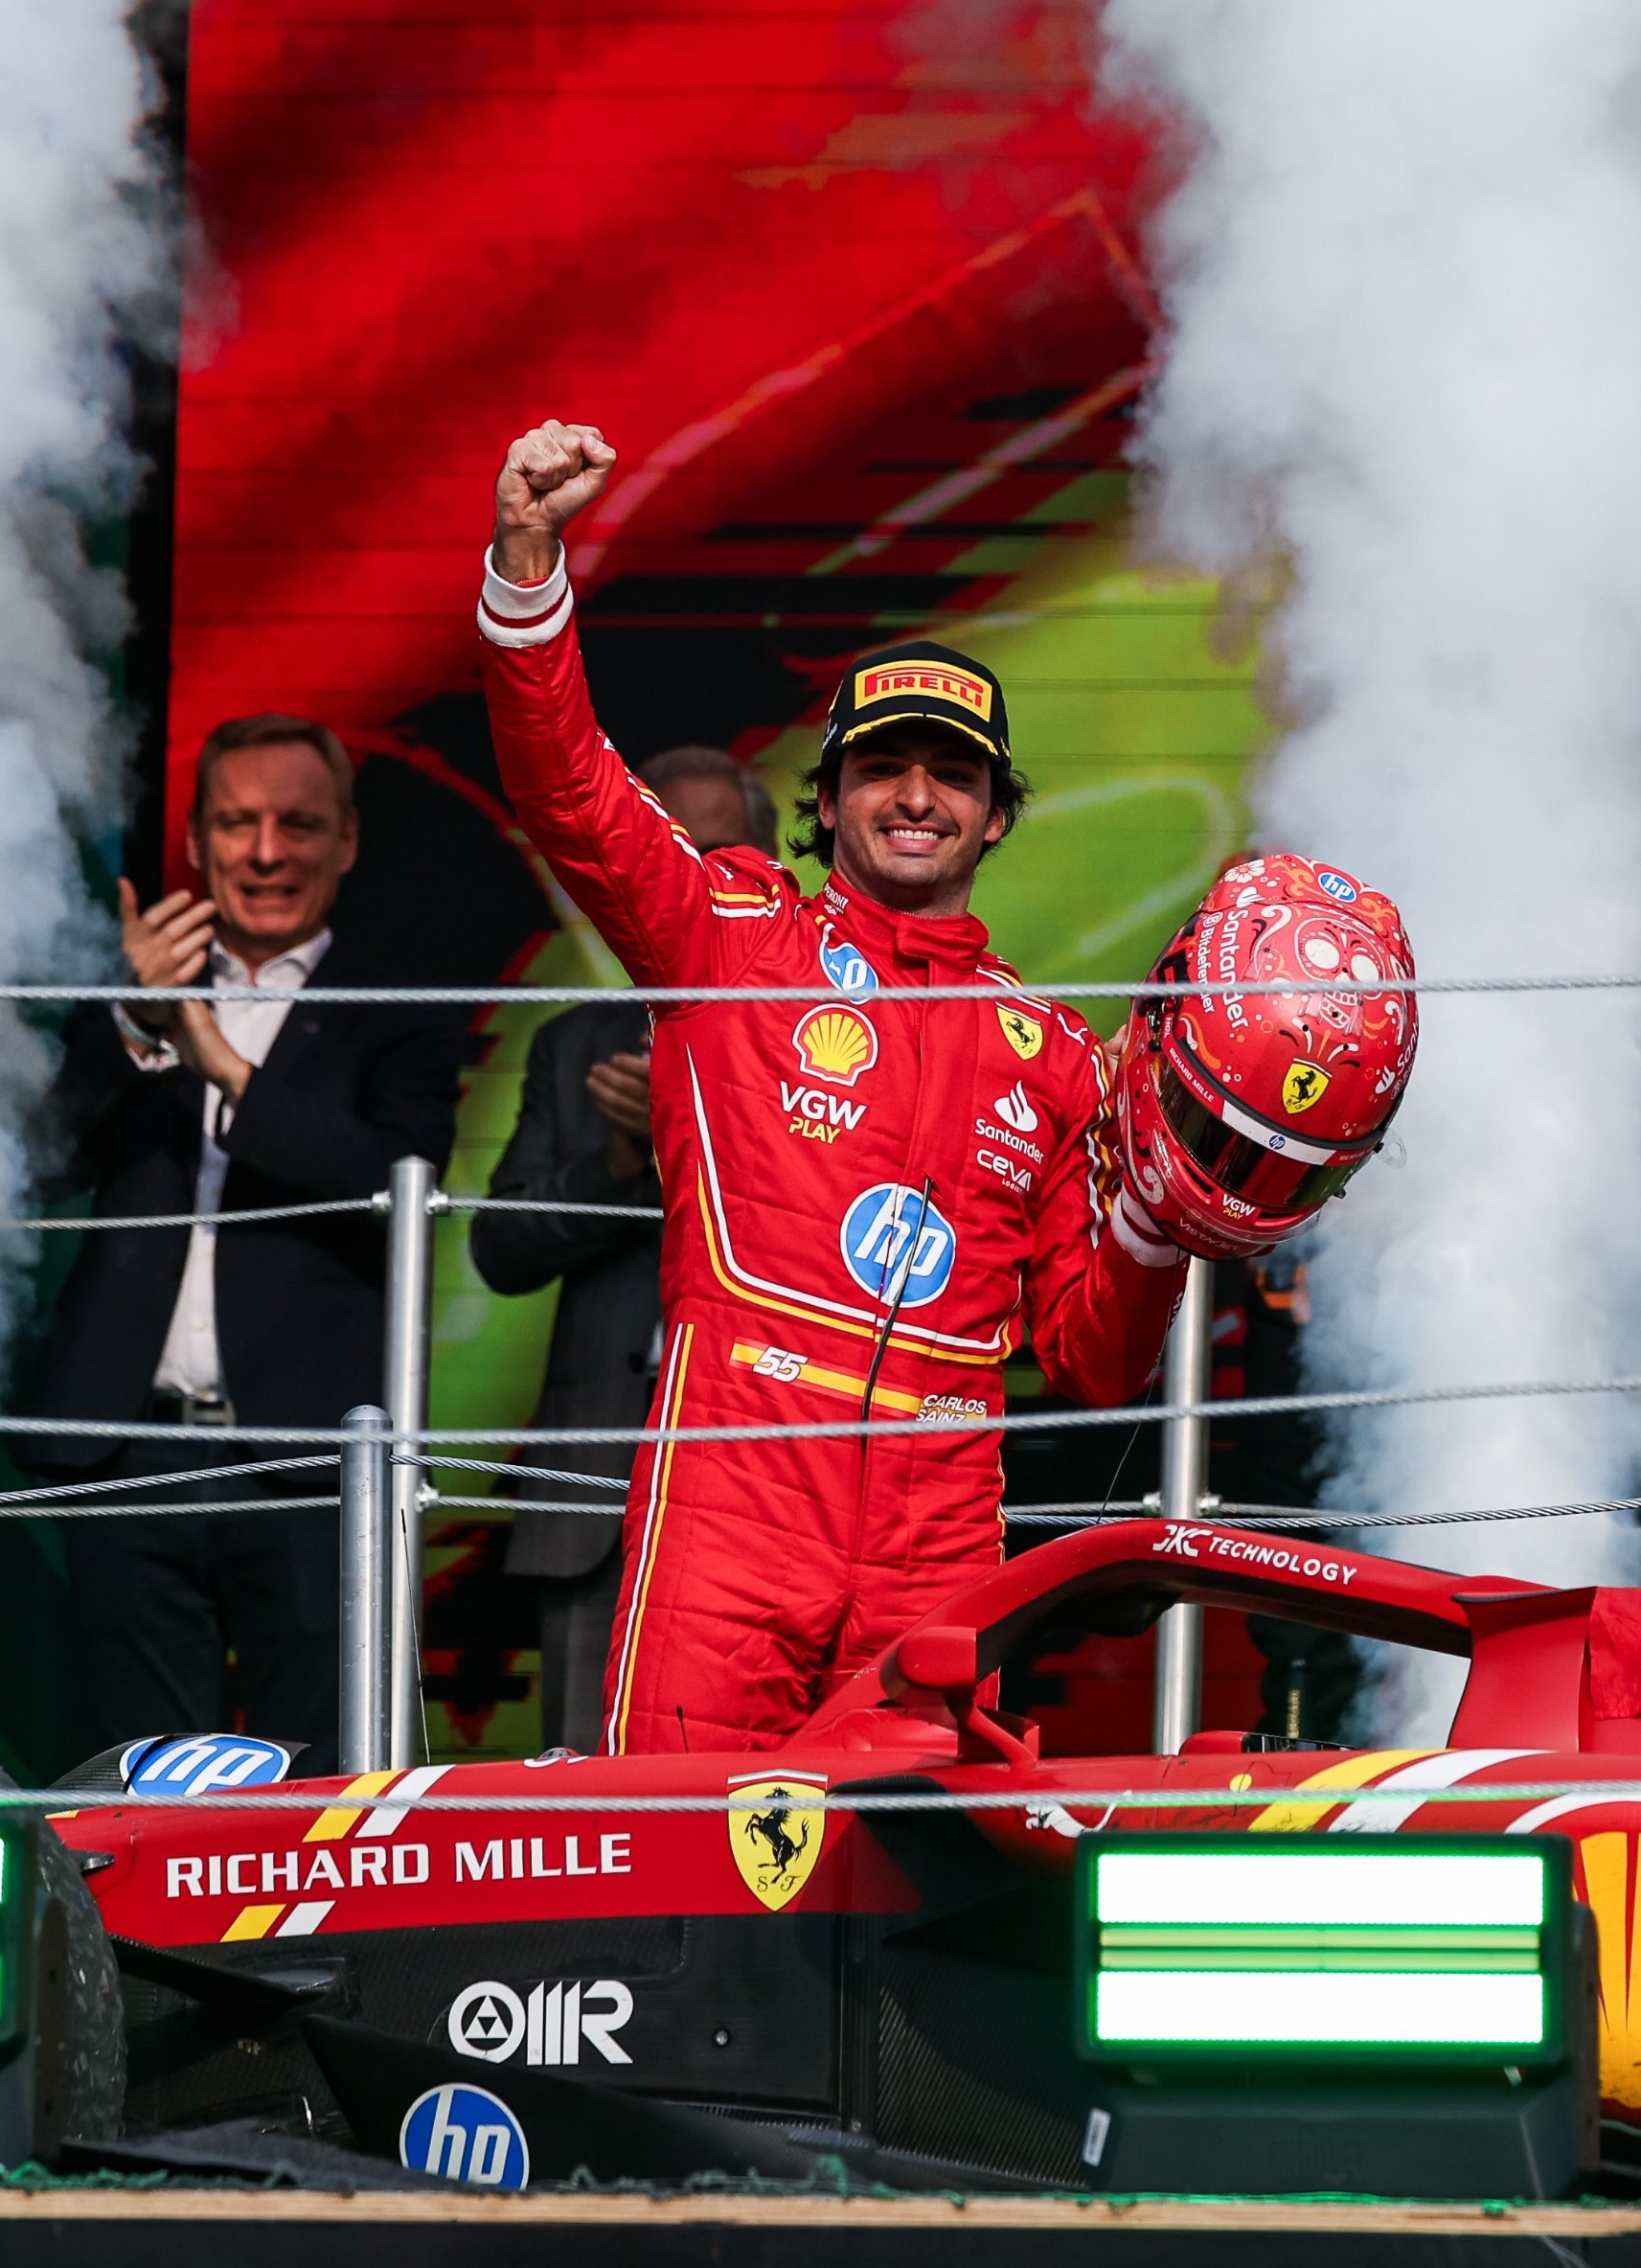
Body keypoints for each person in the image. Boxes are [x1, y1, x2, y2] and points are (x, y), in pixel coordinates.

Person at [472, 419, 1190, 1751]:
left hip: (942, 1526)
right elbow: (569, 790)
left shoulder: (1059, 1052)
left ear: (995, 808)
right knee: (683, 1879)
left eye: (953, 772)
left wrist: (1171, 1216)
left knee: (916, 1907)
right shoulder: (728, 936)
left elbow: (1094, 1360)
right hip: (734, 1491)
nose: (917, 796)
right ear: (834, 794)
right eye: (883, 767)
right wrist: (528, 565)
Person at [28, 713, 465, 1750]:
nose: (266, 853)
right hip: (132, 1450)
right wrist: (139, 1023)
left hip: (309, 1462)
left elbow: (387, 1179)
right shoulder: (132, 994)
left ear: (347, 842)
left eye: (298, 825)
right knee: (137, 1779)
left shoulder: (403, 1004)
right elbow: (38, 1157)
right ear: (196, 841)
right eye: (238, 823)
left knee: (315, 1786)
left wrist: (219, 1060)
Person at [470, 743, 775, 1754]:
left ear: (772, 878)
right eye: (667, 849)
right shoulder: (574, 1045)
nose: (684, 878)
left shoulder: (814, 1035)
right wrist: (617, 1163)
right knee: (577, 1805)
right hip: (593, 1489)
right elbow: (499, 1250)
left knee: (763, 1805)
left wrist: (687, 1130)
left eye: (717, 855)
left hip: (760, 1492)